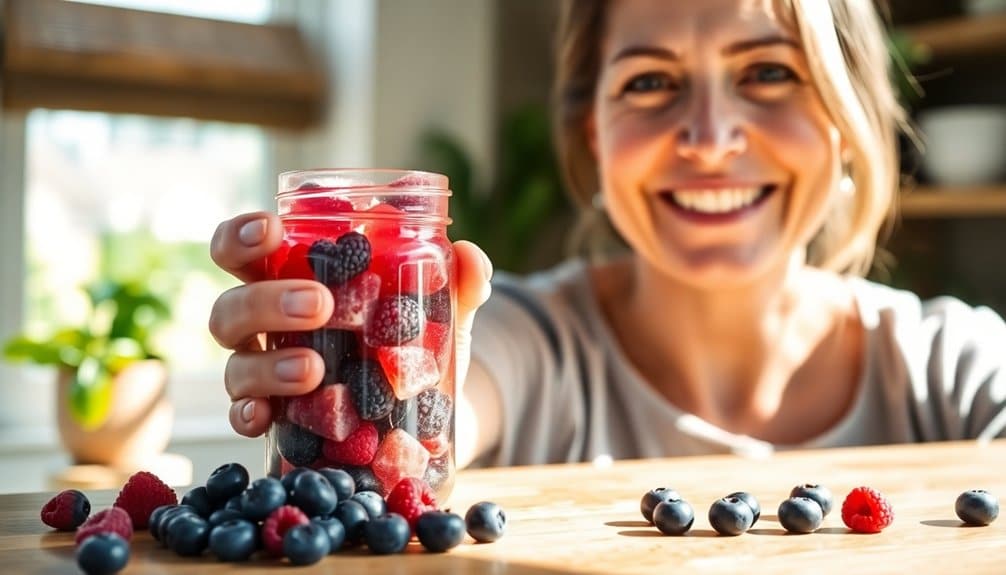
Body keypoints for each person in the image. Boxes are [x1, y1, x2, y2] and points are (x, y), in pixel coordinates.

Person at [209, 0, 1006, 471]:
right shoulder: (530, 342)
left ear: (846, 119)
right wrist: (360, 365)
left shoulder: (955, 368)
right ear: (594, 135)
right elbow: (456, 400)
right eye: (651, 82)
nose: (708, 135)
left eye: (769, 72)